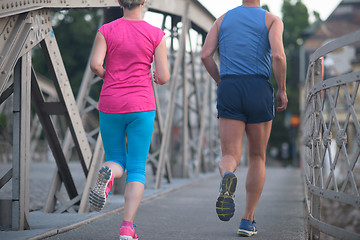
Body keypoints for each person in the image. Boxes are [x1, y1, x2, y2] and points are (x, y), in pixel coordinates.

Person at [201, 0, 287, 237]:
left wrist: (221, 81)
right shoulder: (271, 20)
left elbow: (205, 55)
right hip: (258, 88)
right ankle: (247, 221)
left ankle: (228, 175)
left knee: (230, 155)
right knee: (257, 156)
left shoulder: (222, 20)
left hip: (230, 87)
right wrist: (281, 89)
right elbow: (278, 56)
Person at [88, 0, 169, 239]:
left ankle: (108, 172)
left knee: (116, 160)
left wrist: (109, 75)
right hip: (141, 106)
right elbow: (163, 77)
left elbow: (95, 64)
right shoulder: (155, 34)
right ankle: (126, 228)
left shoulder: (106, 30)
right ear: (143, 2)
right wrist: (155, 75)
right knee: (136, 169)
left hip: (110, 103)